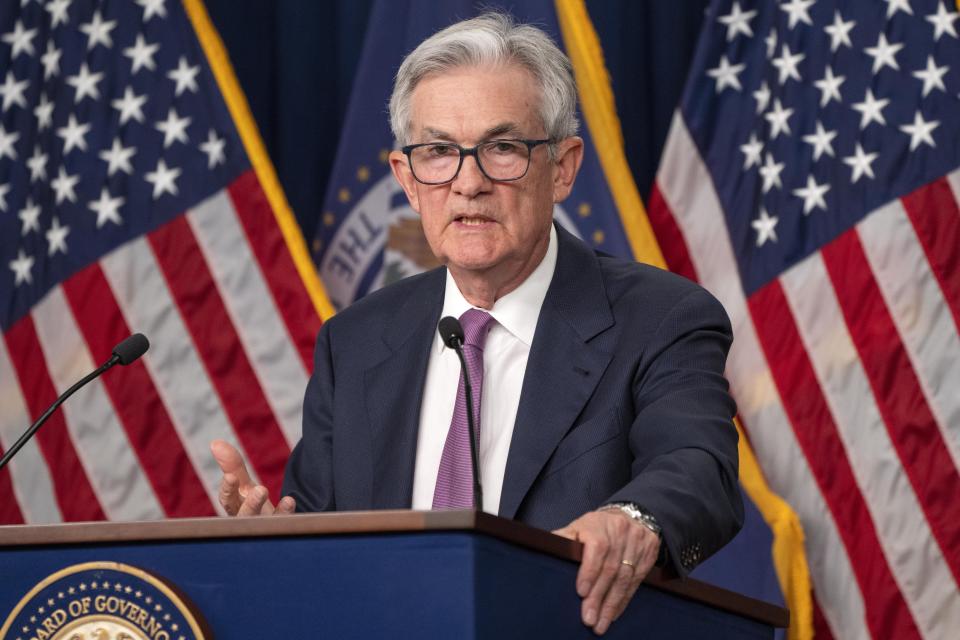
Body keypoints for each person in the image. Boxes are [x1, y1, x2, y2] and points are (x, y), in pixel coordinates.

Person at [212, 12, 742, 636]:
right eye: (438, 152)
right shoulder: (354, 341)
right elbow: (326, 533)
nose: (469, 182)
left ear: (563, 168)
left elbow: (699, 467)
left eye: (502, 149)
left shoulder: (660, 318)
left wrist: (634, 518)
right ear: (406, 180)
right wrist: (279, 544)